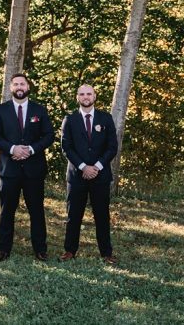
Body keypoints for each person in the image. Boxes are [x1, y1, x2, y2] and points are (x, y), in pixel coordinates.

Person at [0, 72, 54, 261]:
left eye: (22, 84)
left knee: (36, 210)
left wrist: (31, 149)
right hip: (9, 168)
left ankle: (40, 249)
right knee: (7, 209)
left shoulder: (39, 110)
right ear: (10, 88)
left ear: (28, 87)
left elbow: (49, 135)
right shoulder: (2, 110)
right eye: (15, 84)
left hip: (34, 169)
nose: (19, 87)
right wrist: (12, 149)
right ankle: (4, 249)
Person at [59, 84, 119, 264]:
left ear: (95, 96)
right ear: (77, 97)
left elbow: (112, 147)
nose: (86, 97)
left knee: (102, 215)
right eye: (82, 94)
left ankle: (106, 253)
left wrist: (97, 167)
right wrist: (84, 167)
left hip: (100, 175)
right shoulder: (69, 119)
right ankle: (70, 250)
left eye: (89, 94)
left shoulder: (105, 118)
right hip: (77, 176)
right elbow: (66, 148)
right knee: (73, 215)